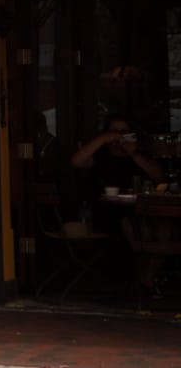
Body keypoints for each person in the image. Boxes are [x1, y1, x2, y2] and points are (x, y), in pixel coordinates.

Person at [71, 114, 165, 295]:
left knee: (164, 229)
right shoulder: (100, 156)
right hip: (110, 213)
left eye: (124, 131)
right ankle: (143, 281)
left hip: (143, 209)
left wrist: (133, 153)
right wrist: (103, 139)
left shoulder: (138, 154)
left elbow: (159, 177)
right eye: (114, 131)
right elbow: (76, 161)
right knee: (134, 227)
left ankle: (145, 279)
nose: (119, 136)